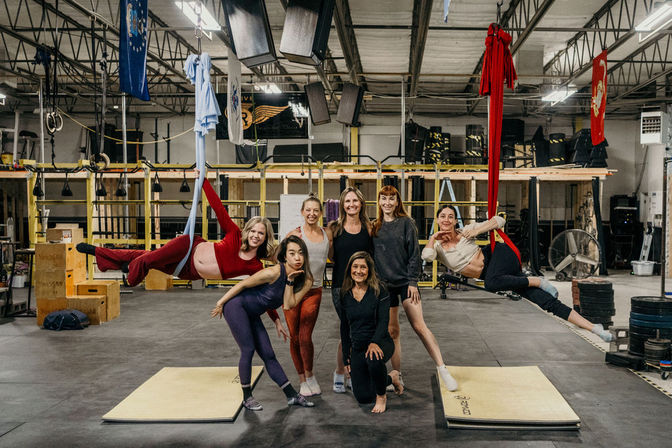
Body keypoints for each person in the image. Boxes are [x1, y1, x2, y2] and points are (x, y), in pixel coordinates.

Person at [422, 205, 613, 342]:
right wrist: (432, 237)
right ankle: (595, 328)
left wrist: (477, 231)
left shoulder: (466, 231)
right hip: (500, 275)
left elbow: (499, 220)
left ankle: (536, 281)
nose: (446, 220)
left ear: (455, 220)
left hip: (499, 255)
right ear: (437, 220)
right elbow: (427, 256)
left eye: (450, 216)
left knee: (491, 284)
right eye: (442, 216)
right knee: (547, 303)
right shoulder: (437, 247)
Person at [76, 176, 276, 287]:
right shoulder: (234, 234)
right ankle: (130, 273)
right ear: (247, 231)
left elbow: (265, 285)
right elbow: (218, 209)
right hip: (187, 248)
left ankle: (100, 255)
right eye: (253, 231)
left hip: (186, 270)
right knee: (146, 260)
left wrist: (275, 320)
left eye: (261, 234)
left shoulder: (255, 266)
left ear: (265, 238)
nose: (256, 236)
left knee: (143, 255)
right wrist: (203, 181)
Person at [211, 235, 315, 410]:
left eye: (300, 253)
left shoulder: (305, 280)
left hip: (253, 313)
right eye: (292, 253)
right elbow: (243, 285)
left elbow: (288, 304)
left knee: (268, 354)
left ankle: (292, 396)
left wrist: (277, 317)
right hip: (236, 306)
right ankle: (247, 397)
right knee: (248, 349)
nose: (297, 257)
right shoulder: (273, 272)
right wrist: (221, 303)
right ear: (285, 256)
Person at [371, 185, 459, 391]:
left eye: (391, 199)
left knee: (419, 326)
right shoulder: (374, 226)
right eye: (383, 198)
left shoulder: (406, 224)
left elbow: (413, 254)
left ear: (397, 201)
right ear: (379, 201)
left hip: (404, 284)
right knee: (392, 332)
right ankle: (397, 375)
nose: (387, 203)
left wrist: (412, 282)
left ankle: (442, 368)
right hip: (383, 286)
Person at [340, 251, 403, 413]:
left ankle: (382, 396)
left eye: (363, 267)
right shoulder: (345, 293)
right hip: (359, 346)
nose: (359, 271)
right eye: (355, 267)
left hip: (381, 341)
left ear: (369, 270)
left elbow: (384, 321)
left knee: (373, 358)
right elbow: (345, 326)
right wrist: (346, 357)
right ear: (350, 269)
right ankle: (391, 378)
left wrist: (375, 342)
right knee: (363, 396)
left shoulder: (379, 290)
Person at [327, 187, 373, 393]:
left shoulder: (369, 227)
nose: (351, 204)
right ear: (342, 205)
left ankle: (354, 372)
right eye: (347, 201)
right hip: (340, 286)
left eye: (355, 201)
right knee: (348, 329)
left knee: (358, 331)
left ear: (361, 204)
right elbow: (330, 256)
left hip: (365, 286)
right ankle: (340, 371)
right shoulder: (334, 228)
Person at [284, 195, 330, 397]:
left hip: (314, 289)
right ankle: (302, 379)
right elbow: (281, 257)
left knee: (305, 336)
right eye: (308, 210)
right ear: (302, 212)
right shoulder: (295, 235)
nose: (312, 214)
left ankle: (310, 375)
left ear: (321, 213)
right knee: (294, 336)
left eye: (316, 210)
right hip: (293, 289)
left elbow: (336, 255)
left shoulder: (327, 233)